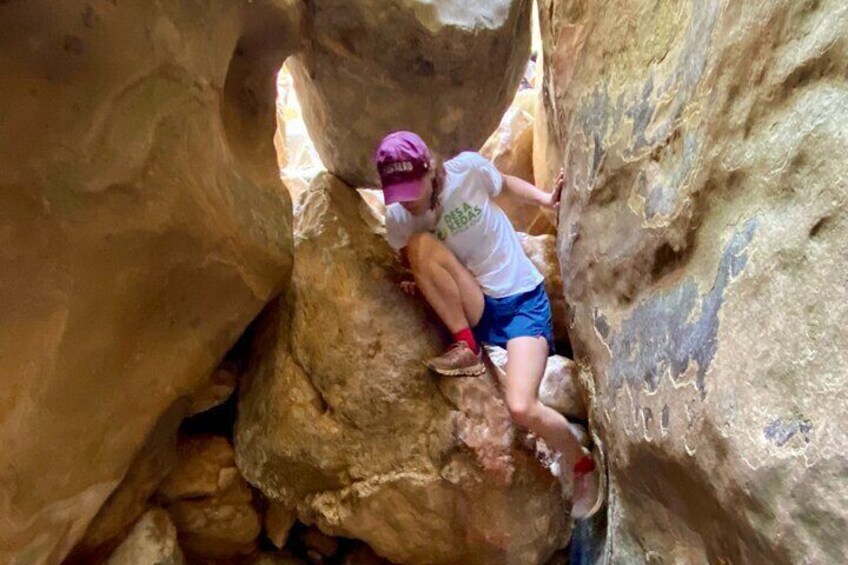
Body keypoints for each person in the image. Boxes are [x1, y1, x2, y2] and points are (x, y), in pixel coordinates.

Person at [375, 130, 603, 519]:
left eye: (414, 188)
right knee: (418, 248)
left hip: (521, 301)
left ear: (430, 169)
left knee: (522, 406)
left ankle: (580, 462)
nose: (409, 202)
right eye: (400, 193)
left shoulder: (466, 172)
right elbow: (407, 254)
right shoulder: (399, 216)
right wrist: (421, 276)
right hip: (477, 305)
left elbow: (506, 184)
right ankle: (467, 347)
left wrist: (547, 200)